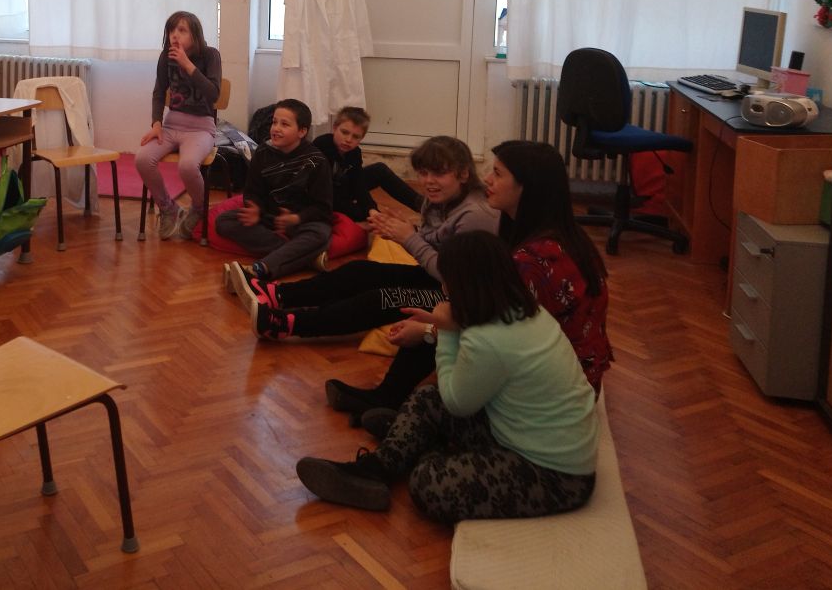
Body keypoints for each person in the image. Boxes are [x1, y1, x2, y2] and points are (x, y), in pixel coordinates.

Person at [295, 230, 600, 519]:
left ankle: (410, 448)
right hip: (527, 436)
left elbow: (456, 402)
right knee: (426, 398)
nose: (443, 289)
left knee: (427, 483)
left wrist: (446, 329)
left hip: (556, 476)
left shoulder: (488, 339)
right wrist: (438, 329)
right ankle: (380, 466)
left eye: (447, 281)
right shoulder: (523, 311)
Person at [330, 140, 613, 424]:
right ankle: (384, 399)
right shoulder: (537, 231)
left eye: (498, 174)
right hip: (547, 364)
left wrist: (430, 330)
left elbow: (498, 333)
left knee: (412, 311)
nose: (487, 179)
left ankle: (393, 408)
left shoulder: (533, 259)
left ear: (526, 187)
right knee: (371, 278)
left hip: (554, 388)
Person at [226, 134, 497, 343]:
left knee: (380, 299)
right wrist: (408, 231)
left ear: (464, 173)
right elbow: (435, 245)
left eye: (439, 173)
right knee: (359, 271)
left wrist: (409, 238)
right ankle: (278, 294)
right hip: (438, 280)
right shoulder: (437, 200)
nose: (428, 181)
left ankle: (287, 324)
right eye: (423, 173)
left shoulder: (475, 215)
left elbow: (452, 276)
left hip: (461, 297)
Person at [214, 98, 333, 285]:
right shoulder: (262, 152)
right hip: (269, 218)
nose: (276, 128)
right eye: (274, 122)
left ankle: (259, 269)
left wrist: (296, 218)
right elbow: (252, 191)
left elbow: (323, 208)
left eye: (284, 124)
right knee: (224, 221)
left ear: (302, 131)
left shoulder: (317, 161)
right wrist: (255, 208)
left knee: (321, 234)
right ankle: (305, 257)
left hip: (300, 222)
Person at [136, 10, 223, 240]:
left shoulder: (211, 55)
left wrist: (187, 64)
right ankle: (168, 208)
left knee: (187, 166)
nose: (175, 35)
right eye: (171, 30)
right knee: (142, 159)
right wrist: (156, 124)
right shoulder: (166, 57)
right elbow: (158, 92)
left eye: (181, 30)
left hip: (201, 128)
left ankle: (199, 208)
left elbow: (214, 94)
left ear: (195, 34)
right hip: (172, 125)